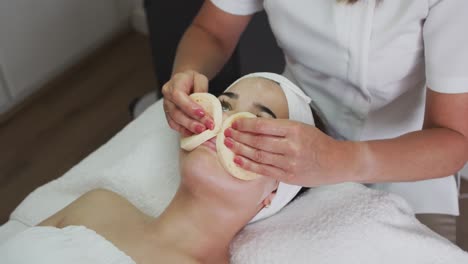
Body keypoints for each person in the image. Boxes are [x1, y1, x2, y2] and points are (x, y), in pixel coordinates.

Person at [161, 0, 468, 243]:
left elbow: (454, 138)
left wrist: (340, 159)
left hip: (410, 158)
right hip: (292, 121)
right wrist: (186, 73)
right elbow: (211, 31)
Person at [0, 74, 316, 264]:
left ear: (273, 192)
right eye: (223, 104)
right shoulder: (98, 206)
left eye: (257, 125)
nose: (223, 124)